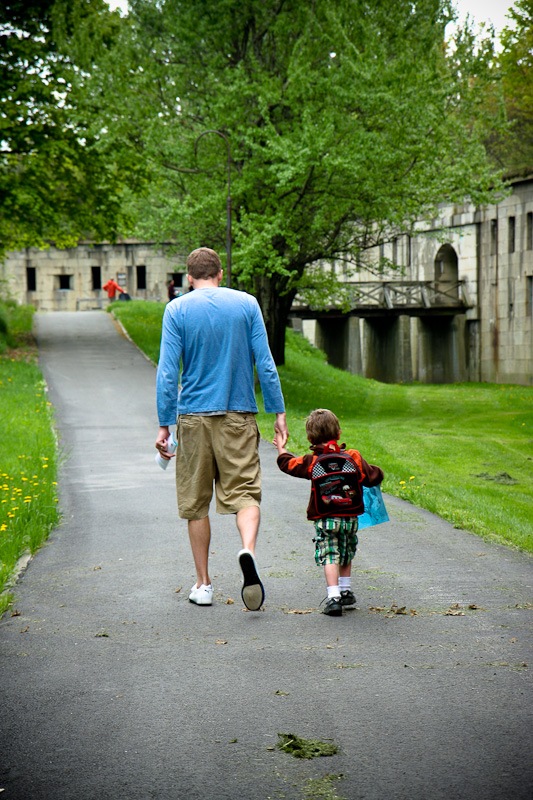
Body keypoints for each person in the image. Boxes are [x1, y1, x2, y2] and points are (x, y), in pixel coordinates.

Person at [155, 247, 288, 611]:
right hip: (238, 416)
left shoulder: (177, 309)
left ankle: (203, 584)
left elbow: (168, 372)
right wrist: (278, 412)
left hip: (194, 419)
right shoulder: (246, 304)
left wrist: (164, 424)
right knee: (246, 493)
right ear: (221, 272)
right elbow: (265, 362)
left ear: (189, 277)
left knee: (196, 503)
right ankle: (247, 549)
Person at [275, 408, 383, 616]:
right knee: (346, 551)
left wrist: (281, 448)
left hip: (325, 519)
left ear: (310, 437)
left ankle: (333, 597)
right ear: (339, 433)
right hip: (351, 518)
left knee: (330, 554)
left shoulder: (312, 462)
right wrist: (378, 472)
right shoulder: (353, 456)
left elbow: (288, 464)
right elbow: (372, 476)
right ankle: (346, 590)